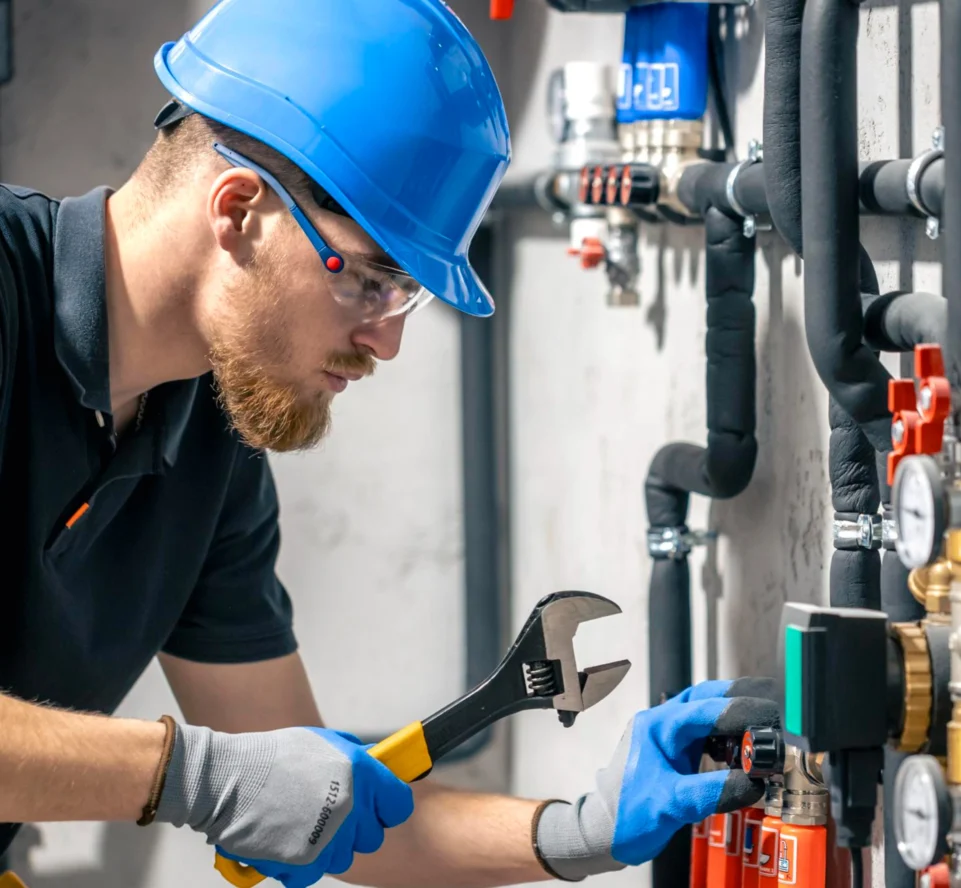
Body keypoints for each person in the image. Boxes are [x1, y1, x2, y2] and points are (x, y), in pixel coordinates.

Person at [0, 1, 779, 886]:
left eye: (403, 294)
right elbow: (237, 785)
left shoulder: (210, 450)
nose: (387, 341)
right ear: (239, 209)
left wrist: (578, 831)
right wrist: (198, 778)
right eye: (372, 280)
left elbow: (319, 801)